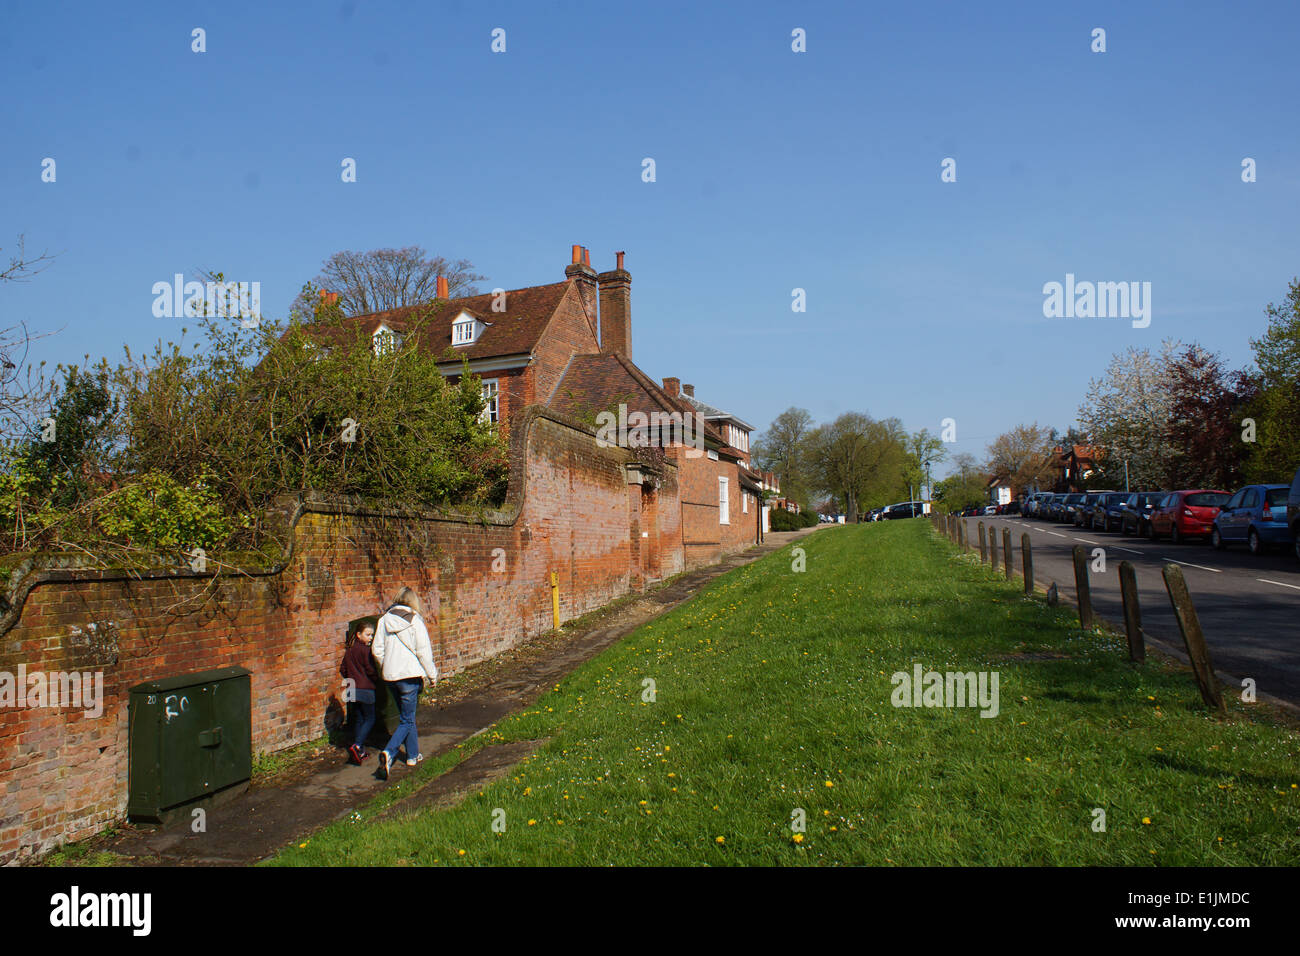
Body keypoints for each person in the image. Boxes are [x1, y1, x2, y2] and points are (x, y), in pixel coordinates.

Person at [371, 587, 438, 780]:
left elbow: (377, 650)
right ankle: (389, 752)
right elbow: (424, 652)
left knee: (406, 717)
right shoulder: (415, 620)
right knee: (407, 719)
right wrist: (432, 675)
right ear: (413, 601)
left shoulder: (384, 620)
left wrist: (387, 666)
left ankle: (412, 756)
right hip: (410, 676)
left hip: (391, 677)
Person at [339, 619, 379, 765]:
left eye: (372, 635)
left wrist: (351, 677)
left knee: (359, 719)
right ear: (358, 634)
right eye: (368, 635)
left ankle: (360, 750)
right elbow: (370, 669)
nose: (370, 638)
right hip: (366, 689)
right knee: (370, 718)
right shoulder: (366, 651)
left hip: (352, 689)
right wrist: (376, 678)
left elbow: (342, 669)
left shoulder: (349, 651)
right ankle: (357, 745)